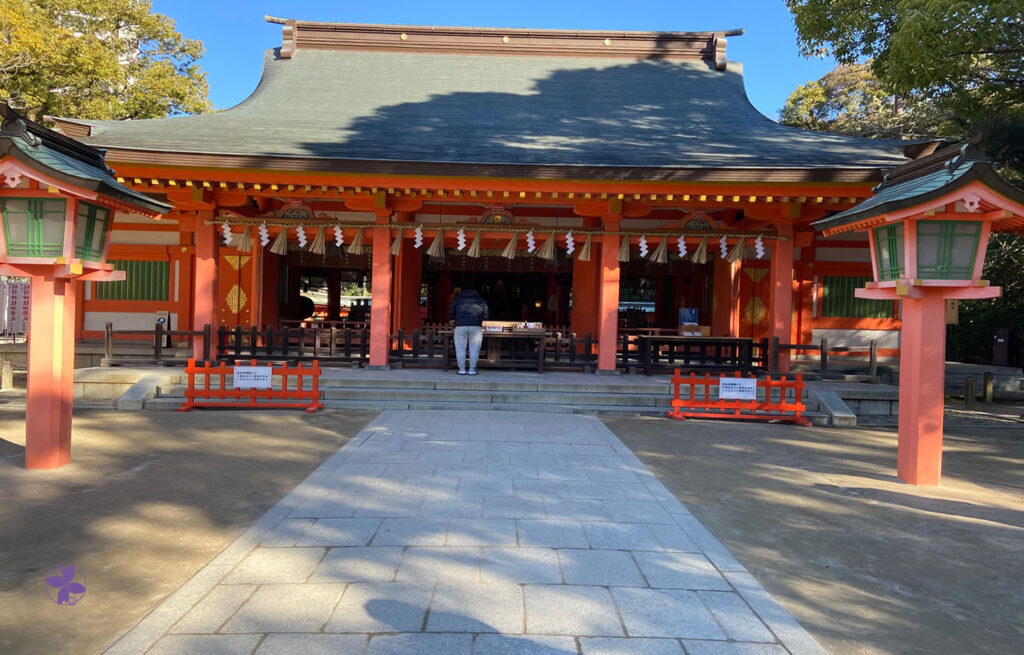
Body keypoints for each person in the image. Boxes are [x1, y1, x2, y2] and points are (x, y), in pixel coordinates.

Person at [448, 287, 489, 375]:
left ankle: (461, 370)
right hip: (476, 326)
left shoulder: (457, 299)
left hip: (460, 326)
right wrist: (479, 319)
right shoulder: (481, 300)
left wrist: (455, 319)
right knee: (474, 349)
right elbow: (486, 314)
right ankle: (472, 370)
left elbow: (451, 313)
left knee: (460, 349)